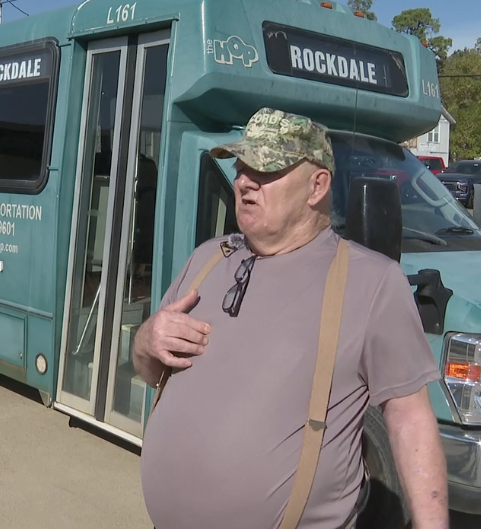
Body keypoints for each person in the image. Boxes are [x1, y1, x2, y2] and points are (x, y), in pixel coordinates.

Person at [134, 108, 449, 529]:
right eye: (242, 166)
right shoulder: (207, 258)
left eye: (265, 170)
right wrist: (146, 339)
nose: (244, 181)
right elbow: (149, 369)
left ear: (317, 186)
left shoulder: (371, 282)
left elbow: (410, 419)